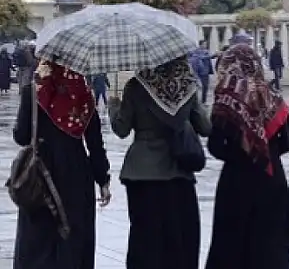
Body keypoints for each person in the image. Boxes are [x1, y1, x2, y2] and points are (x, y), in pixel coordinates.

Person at [109, 58, 211, 269]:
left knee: (144, 237)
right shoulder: (187, 85)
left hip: (141, 172)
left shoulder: (136, 86)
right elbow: (205, 127)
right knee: (179, 237)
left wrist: (114, 107)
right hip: (178, 170)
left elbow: (122, 129)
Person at [205, 43, 289, 269]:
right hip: (272, 180)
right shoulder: (274, 97)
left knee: (233, 245)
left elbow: (215, 145)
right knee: (270, 244)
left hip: (236, 183)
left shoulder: (226, 99)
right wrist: (269, 153)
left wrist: (241, 156)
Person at [13, 59, 111, 269]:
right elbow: (94, 143)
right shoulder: (83, 94)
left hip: (40, 174)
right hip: (76, 174)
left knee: (38, 240)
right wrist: (103, 180)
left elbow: (21, 136)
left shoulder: (34, 90)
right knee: (72, 236)